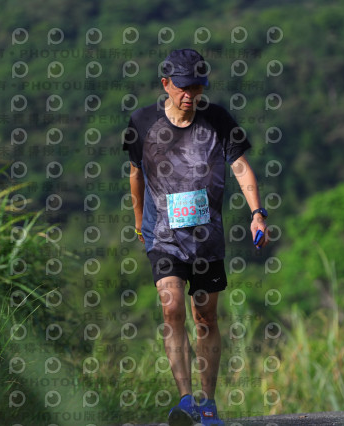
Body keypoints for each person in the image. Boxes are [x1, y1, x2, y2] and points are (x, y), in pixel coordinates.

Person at [123, 48, 268, 426]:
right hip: (163, 238)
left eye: (198, 87)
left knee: (204, 318)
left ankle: (207, 403)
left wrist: (257, 214)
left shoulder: (217, 120)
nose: (191, 95)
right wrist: (138, 223)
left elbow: (241, 167)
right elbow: (135, 174)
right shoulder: (142, 123)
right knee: (171, 308)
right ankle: (185, 400)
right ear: (166, 84)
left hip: (207, 240)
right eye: (184, 87)